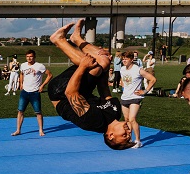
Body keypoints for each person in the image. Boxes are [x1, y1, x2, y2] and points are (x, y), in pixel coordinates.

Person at [47, 20, 133, 149]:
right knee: (103, 61)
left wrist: (83, 66)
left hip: (60, 93)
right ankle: (76, 39)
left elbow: (70, 93)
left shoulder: (94, 122)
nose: (128, 132)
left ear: (111, 136)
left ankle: (59, 40)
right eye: (129, 134)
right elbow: (104, 89)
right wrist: (106, 66)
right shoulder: (116, 112)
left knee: (94, 67)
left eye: (125, 135)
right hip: (81, 91)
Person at [119, 51, 156, 148]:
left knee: (132, 119)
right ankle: (129, 139)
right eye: (123, 59)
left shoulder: (138, 69)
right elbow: (122, 79)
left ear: (131, 59)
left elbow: (153, 79)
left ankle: (138, 140)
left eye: (126, 59)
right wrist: (123, 85)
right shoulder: (122, 69)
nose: (124, 61)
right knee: (127, 119)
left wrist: (145, 91)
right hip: (125, 97)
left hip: (135, 97)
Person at [12, 49, 52, 137]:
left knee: (38, 112)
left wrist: (42, 85)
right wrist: (21, 83)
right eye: (27, 56)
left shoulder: (39, 66)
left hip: (35, 92)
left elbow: (50, 75)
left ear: (34, 57)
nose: (29, 58)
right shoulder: (23, 65)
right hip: (25, 92)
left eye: (31, 56)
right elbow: (21, 74)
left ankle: (41, 130)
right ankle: (18, 130)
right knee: (20, 111)